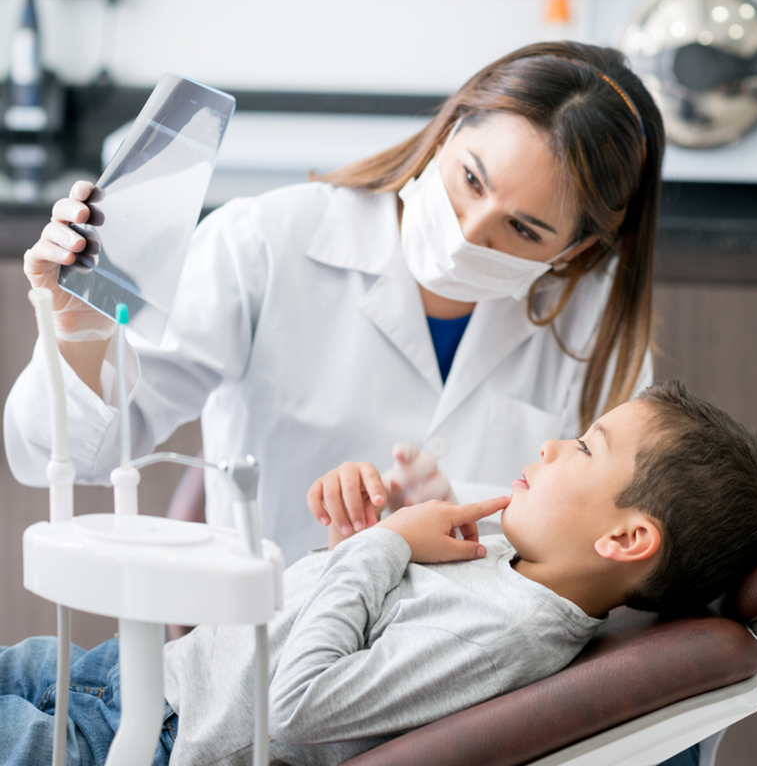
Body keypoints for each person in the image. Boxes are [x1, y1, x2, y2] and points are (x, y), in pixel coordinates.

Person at [4, 40, 665, 566]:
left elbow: (608, 550)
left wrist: (468, 517)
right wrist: (82, 336)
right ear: (450, 128)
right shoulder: (267, 240)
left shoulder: (596, 329)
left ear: (575, 252)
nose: (470, 231)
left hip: (475, 673)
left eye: (523, 230)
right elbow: (59, 457)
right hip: (274, 659)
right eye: (470, 178)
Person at [0, 380, 757, 766]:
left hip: (137, 739)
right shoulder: (505, 566)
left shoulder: (509, 632)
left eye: (586, 447)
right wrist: (369, 538)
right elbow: (319, 627)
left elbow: (296, 705)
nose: (553, 446)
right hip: (116, 680)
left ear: (626, 538)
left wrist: (382, 547)